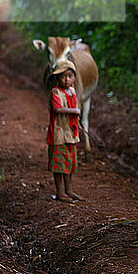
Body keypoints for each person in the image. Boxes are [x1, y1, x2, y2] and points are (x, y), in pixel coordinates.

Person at [46, 60, 86, 203]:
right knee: (59, 164)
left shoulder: (73, 91)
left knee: (69, 162)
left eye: (70, 76)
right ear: (57, 78)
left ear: (74, 78)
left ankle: (69, 190)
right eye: (63, 76)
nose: (67, 80)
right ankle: (60, 192)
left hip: (71, 133)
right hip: (59, 133)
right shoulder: (55, 92)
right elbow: (57, 109)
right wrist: (74, 111)